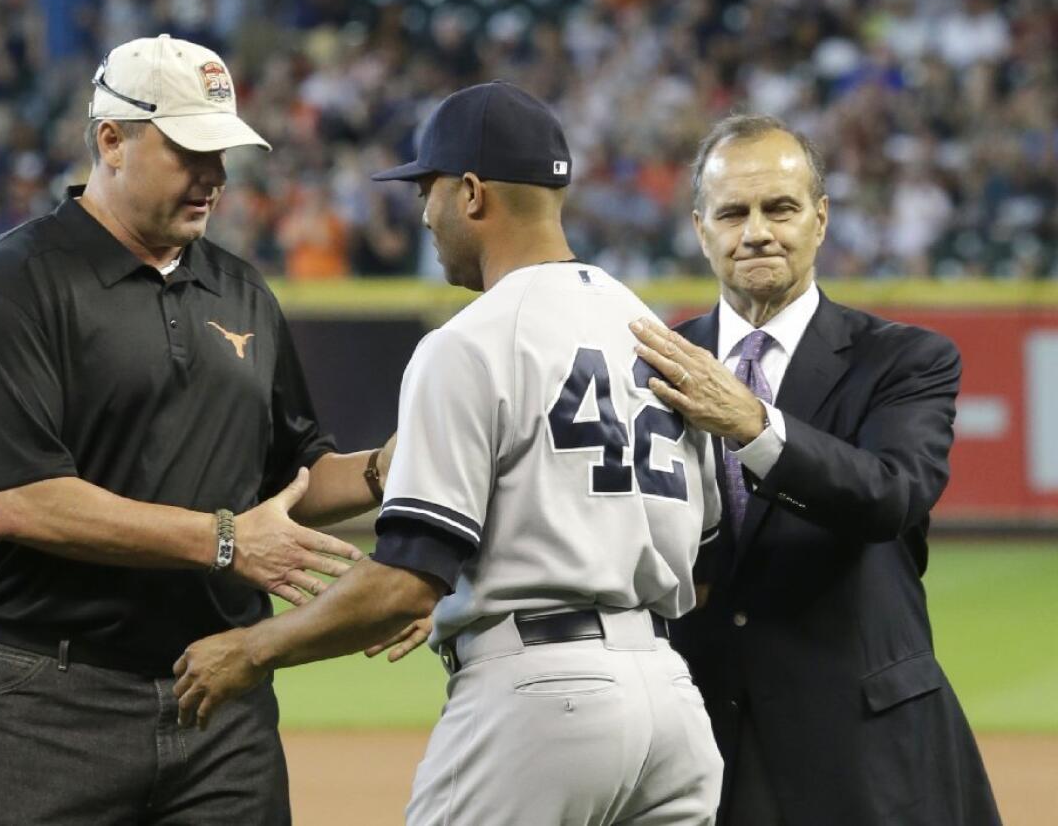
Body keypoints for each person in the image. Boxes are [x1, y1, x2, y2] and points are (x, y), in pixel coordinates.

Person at [173, 81, 725, 825]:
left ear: (471, 194)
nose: (424, 212)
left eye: (428, 190)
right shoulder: (649, 329)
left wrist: (253, 648)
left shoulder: (471, 340)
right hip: (671, 706)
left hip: (539, 703)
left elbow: (405, 583)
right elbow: (708, 552)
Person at [0, 34, 400, 825]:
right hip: (47, 703)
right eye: (190, 149)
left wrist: (388, 470)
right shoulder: (12, 284)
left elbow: (291, 479)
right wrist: (224, 540)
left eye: (222, 151)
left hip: (220, 698)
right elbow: (19, 500)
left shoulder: (241, 289)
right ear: (111, 140)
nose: (214, 175)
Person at [629, 114, 1001, 825]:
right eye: (734, 212)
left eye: (781, 208)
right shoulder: (654, 367)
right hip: (702, 744)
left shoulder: (904, 359)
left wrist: (754, 425)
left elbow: (892, 494)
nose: (758, 231)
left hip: (864, 753)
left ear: (821, 219)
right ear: (700, 227)